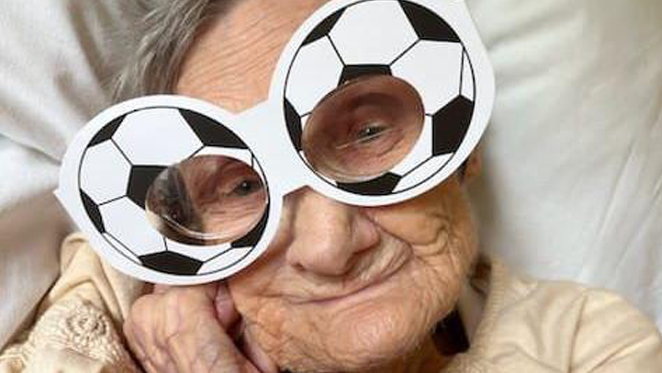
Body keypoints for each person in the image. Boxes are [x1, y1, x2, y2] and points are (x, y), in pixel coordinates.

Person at [2, 0, 662, 372]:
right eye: (237, 186)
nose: (329, 245)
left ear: (465, 150)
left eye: (369, 131)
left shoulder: (589, 345)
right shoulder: (115, 301)